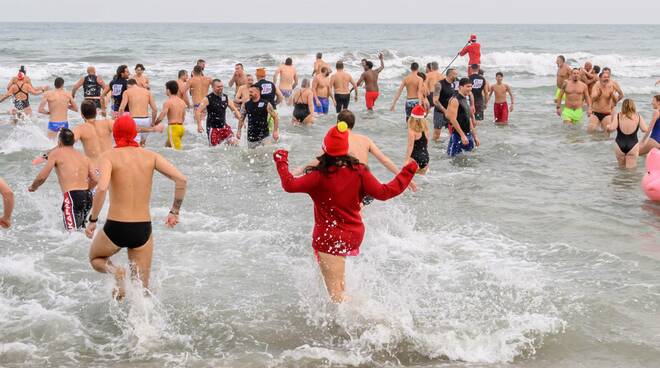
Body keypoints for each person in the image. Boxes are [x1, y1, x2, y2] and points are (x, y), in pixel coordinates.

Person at [273, 122, 418, 303]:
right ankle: (348, 320)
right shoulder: (359, 171)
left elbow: (289, 185)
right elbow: (385, 192)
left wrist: (281, 160)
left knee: (337, 296)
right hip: (353, 234)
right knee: (339, 287)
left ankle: (374, 321)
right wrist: (408, 171)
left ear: (325, 149)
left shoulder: (318, 176)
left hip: (329, 236)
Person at [86, 115, 187, 299]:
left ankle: (115, 271)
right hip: (142, 230)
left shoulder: (108, 156)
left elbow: (101, 187)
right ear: (134, 132)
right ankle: (143, 326)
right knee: (142, 291)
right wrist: (174, 211)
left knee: (95, 259)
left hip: (116, 227)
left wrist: (93, 220)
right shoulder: (151, 156)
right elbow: (181, 180)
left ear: (115, 133)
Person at [294, 110, 417, 192]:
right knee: (359, 213)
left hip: (347, 187)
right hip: (366, 185)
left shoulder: (337, 141)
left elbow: (319, 160)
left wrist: (298, 171)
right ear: (353, 124)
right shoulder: (365, 140)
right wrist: (404, 177)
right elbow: (384, 160)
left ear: (338, 123)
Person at [28, 128, 96, 231]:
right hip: (88, 197)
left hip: (72, 197)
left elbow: (42, 177)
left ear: (59, 142)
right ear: (73, 141)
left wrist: (33, 187)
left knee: (71, 234)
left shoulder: (56, 153)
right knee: (81, 232)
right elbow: (95, 179)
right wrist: (85, 191)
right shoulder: (84, 157)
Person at [194, 79, 241, 146]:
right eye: (218, 87)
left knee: (235, 142)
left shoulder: (225, 97)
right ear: (213, 87)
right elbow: (198, 111)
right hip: (213, 128)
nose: (220, 88)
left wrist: (241, 121)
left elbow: (234, 110)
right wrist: (199, 125)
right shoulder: (208, 98)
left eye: (221, 86)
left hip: (224, 127)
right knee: (214, 149)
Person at [606, 99, 648, 168]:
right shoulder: (638, 116)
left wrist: (608, 127)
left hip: (619, 144)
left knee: (621, 168)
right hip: (633, 145)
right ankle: (629, 179)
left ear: (623, 106)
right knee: (630, 170)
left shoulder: (618, 116)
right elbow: (644, 129)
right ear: (633, 106)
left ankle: (621, 179)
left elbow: (612, 129)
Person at [118, 79, 160, 146]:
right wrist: (152, 122)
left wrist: (119, 121)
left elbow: (121, 108)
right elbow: (155, 109)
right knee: (142, 144)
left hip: (134, 120)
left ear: (128, 85)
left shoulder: (127, 92)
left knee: (135, 145)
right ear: (136, 84)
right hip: (146, 120)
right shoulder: (147, 92)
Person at [447, 78, 480, 157]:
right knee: (453, 159)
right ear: (460, 87)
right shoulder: (455, 100)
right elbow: (452, 119)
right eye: (467, 86)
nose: (470, 89)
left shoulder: (465, 99)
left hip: (468, 134)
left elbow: (468, 119)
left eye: (471, 86)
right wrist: (462, 135)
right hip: (457, 135)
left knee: (470, 159)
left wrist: (475, 136)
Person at [155, 81, 187, 150]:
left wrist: (155, 124)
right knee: (166, 148)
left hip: (173, 128)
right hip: (181, 128)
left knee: (177, 152)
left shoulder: (168, 102)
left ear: (168, 90)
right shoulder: (182, 102)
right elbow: (183, 117)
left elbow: (162, 116)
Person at [432, 68, 458, 141]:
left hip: (451, 112)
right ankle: (435, 149)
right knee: (437, 134)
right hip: (439, 112)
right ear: (450, 75)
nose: (457, 76)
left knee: (453, 132)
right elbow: (435, 101)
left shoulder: (455, 84)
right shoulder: (439, 84)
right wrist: (444, 110)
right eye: (455, 74)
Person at [404, 105, 430, 174]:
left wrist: (406, 160)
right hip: (425, 157)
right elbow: (426, 143)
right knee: (422, 179)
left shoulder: (412, 131)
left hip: (415, 158)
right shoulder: (426, 129)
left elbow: (410, 146)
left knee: (412, 180)